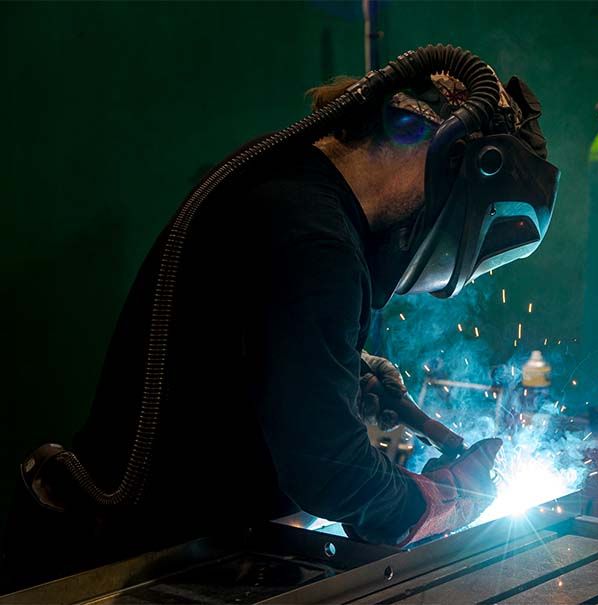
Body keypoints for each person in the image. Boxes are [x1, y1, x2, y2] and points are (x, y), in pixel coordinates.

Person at [1, 48, 558, 590]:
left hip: (156, 535)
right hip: (151, 566)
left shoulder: (287, 183)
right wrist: (435, 502)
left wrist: (343, 364)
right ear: (454, 160)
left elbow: (233, 332)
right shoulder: (318, 239)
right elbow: (331, 472)